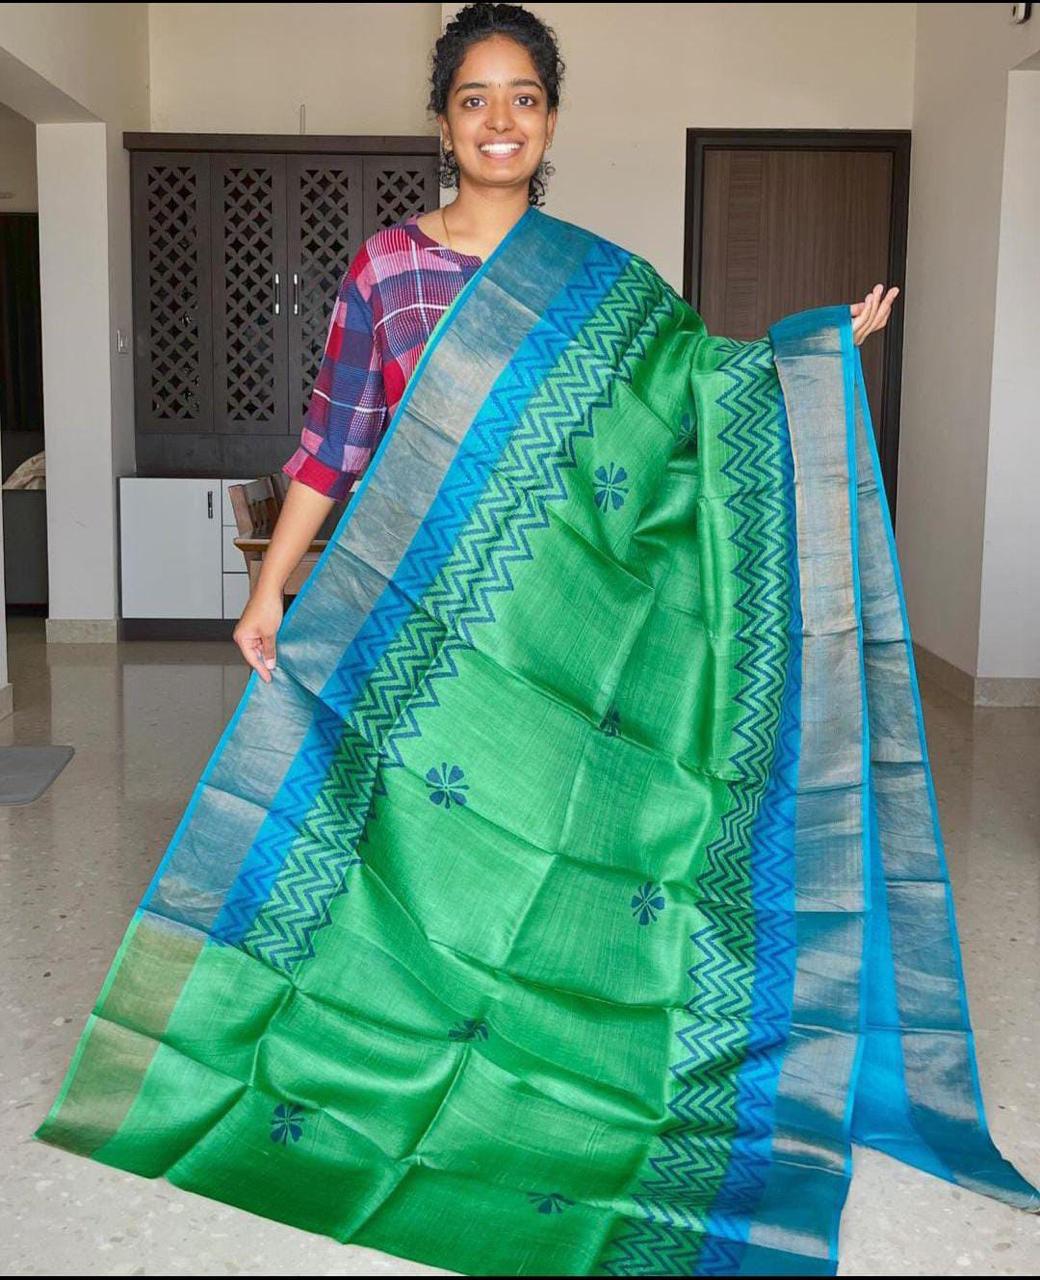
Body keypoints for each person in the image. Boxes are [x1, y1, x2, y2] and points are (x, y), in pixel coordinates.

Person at [232, 0, 896, 683]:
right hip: (413, 596)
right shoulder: (388, 266)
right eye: (474, 100)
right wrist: (268, 589)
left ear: (549, 121)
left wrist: (810, 355)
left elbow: (693, 389)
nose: (500, 121)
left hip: (558, 610)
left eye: (524, 98)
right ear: (444, 124)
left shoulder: (599, 280)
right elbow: (332, 447)